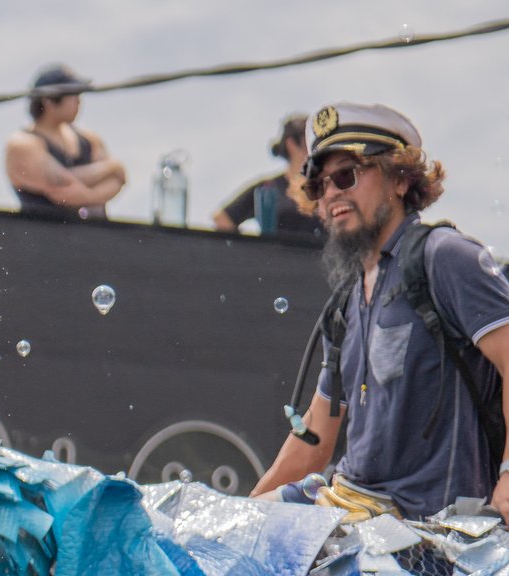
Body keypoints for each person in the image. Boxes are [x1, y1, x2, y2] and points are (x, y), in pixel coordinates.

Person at [255, 104, 509, 523]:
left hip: (424, 535)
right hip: (350, 510)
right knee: (207, 539)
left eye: (346, 175)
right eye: (319, 185)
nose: (332, 192)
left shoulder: (444, 257)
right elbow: (315, 441)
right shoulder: (346, 301)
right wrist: (238, 524)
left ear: (401, 177)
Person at [5, 64, 124, 221]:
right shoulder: (22, 144)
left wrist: (86, 194)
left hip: (96, 239)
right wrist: (110, 167)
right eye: (73, 94)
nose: (78, 101)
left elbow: (119, 178)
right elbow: (62, 189)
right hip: (46, 239)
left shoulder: (88, 138)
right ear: (48, 100)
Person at [212, 112, 322, 241]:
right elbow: (222, 219)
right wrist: (250, 249)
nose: (315, 148)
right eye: (308, 142)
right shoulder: (268, 187)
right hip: (277, 259)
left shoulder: (327, 186)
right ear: (292, 144)